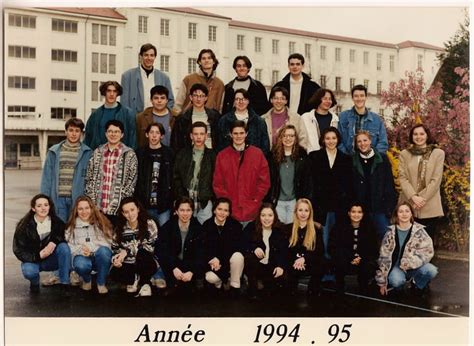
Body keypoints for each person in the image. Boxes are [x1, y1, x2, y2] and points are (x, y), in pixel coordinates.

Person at [305, 127, 353, 257]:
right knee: (322, 239)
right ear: (323, 140)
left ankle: (335, 270)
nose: (331, 141)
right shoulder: (314, 157)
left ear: (338, 140)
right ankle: (324, 270)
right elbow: (310, 183)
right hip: (321, 206)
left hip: (339, 207)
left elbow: (348, 186)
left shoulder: (346, 159)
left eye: (333, 138)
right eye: (327, 138)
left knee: (337, 239)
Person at [213, 120, 270, 225]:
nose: (238, 136)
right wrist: (227, 204)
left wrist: (256, 200)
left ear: (246, 134)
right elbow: (218, 184)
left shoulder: (257, 154)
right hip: (231, 212)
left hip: (252, 210)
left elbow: (264, 182)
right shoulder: (222, 156)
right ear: (230, 134)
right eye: (235, 133)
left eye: (241, 133)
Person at [12, 194, 71, 294]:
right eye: (39, 206)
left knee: (64, 248)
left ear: (49, 206)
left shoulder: (57, 222)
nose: (43, 208)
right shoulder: (24, 226)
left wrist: (54, 242)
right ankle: (34, 283)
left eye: (46, 205)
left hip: (51, 260)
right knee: (29, 271)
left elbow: (63, 236)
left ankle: (65, 283)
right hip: (33, 260)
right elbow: (18, 250)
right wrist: (37, 255)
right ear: (33, 209)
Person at [376, 202, 438, 296]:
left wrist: (410, 263)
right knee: (396, 281)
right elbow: (383, 258)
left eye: (407, 211)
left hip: (415, 266)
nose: (404, 214)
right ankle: (399, 285)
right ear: (396, 214)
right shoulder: (389, 233)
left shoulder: (420, 231)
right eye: (401, 211)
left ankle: (417, 283)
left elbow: (428, 253)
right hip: (397, 267)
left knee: (432, 270)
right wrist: (382, 283)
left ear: (411, 214)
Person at [85, 119, 138, 224]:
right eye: (110, 131)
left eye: (116, 132)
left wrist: (120, 204)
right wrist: (93, 203)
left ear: (122, 134)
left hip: (118, 211)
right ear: (106, 133)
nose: (113, 134)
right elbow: (89, 178)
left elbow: (131, 183)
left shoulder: (129, 154)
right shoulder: (97, 153)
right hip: (98, 209)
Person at [398, 124, 445, 240]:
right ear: (411, 136)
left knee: (426, 244)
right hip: (409, 204)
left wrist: (421, 199)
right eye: (415, 134)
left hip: (429, 204)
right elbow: (403, 178)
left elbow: (436, 179)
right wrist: (414, 197)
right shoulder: (405, 154)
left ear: (427, 135)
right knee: (408, 243)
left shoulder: (437, 153)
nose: (418, 137)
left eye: (422, 134)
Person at [40, 118, 92, 223]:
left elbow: (90, 179)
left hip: (78, 199)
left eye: (77, 131)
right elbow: (46, 178)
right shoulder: (54, 151)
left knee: (76, 229)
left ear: (81, 133)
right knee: (59, 229)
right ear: (65, 132)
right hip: (58, 199)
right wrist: (44, 200)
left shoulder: (88, 153)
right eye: (71, 130)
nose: (74, 134)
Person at [352, 131, 396, 240]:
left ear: (370, 141)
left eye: (365, 140)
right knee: (364, 238)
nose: (362, 144)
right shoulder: (352, 160)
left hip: (380, 207)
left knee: (385, 236)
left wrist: (389, 208)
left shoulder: (382, 159)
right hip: (361, 209)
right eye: (359, 141)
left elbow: (389, 184)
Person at [110, 197, 158, 297]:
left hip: (146, 260)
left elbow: (150, 247)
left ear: (138, 209)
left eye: (132, 210)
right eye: (126, 212)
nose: (130, 214)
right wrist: (117, 259)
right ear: (123, 214)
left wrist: (127, 251)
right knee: (114, 273)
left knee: (142, 254)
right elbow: (114, 247)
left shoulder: (149, 224)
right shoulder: (120, 228)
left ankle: (145, 283)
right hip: (129, 262)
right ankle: (136, 279)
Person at [65, 196, 113, 294]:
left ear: (92, 209)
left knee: (104, 252)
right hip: (82, 256)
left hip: (99, 256)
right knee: (80, 264)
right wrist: (81, 250)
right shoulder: (72, 226)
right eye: (80, 209)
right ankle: (87, 280)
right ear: (76, 211)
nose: (84, 212)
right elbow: (69, 246)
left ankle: (101, 282)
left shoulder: (100, 222)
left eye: (87, 208)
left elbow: (108, 242)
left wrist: (91, 249)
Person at [156, 197, 204, 294]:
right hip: (173, 265)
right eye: (182, 210)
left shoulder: (198, 228)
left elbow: (201, 253)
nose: (185, 214)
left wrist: (192, 271)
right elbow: (162, 250)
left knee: (189, 292)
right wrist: (173, 268)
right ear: (176, 211)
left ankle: (196, 280)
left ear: (192, 212)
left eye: (188, 210)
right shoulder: (168, 226)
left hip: (190, 265)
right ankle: (172, 282)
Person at [329, 203, 378, 294]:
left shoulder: (369, 228)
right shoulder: (339, 227)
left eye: (359, 212)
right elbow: (334, 247)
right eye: (353, 212)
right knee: (339, 259)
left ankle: (363, 284)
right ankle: (340, 284)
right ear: (349, 213)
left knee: (368, 264)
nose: (356, 215)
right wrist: (351, 256)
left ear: (363, 214)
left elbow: (373, 249)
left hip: (361, 260)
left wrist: (360, 257)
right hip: (345, 259)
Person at [173, 122, 216, 224]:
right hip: (186, 197)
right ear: (191, 136)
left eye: (201, 134)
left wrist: (211, 196)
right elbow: (176, 176)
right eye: (196, 134)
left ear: (206, 136)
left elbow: (216, 178)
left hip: (204, 200)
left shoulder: (212, 156)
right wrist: (181, 195)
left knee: (205, 230)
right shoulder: (183, 154)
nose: (199, 137)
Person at [243, 203, 287, 299]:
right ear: (259, 216)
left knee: (276, 292)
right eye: (263, 215)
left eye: (270, 215)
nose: (266, 218)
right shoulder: (252, 227)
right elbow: (242, 243)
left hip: (272, 266)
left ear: (274, 216)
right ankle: (252, 287)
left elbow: (284, 251)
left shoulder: (280, 230)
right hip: (256, 266)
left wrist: (280, 266)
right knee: (251, 259)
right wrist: (253, 249)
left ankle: (264, 284)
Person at [202, 198, 244, 296]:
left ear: (229, 213)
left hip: (229, 263)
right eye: (219, 209)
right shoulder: (206, 225)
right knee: (209, 277)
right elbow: (204, 248)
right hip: (215, 265)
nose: (222, 213)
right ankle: (220, 283)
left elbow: (237, 247)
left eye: (226, 210)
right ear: (214, 210)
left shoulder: (235, 225)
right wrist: (212, 259)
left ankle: (234, 286)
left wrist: (220, 259)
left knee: (238, 256)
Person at [135, 123, 173, 227]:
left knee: (164, 235)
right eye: (151, 132)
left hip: (163, 206)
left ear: (162, 136)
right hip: (144, 205)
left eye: (157, 133)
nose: (154, 135)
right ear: (147, 134)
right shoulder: (139, 153)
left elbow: (173, 178)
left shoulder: (169, 153)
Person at [267, 124, 306, 225]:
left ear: (296, 138)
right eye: (285, 135)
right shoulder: (272, 156)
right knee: (279, 231)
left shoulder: (302, 155)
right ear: (280, 137)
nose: (288, 138)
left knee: (292, 232)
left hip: (294, 201)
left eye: (291, 136)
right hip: (277, 201)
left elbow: (307, 180)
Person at [120, 43, 174, 114]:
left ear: (155, 57)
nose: (149, 58)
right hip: (135, 120)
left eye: (152, 55)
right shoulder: (127, 76)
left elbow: (170, 101)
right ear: (141, 56)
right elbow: (124, 103)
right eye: (146, 55)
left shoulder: (164, 78)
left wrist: (162, 115)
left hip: (157, 121)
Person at [84, 81, 136, 150]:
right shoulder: (95, 115)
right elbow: (88, 139)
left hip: (121, 156)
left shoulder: (128, 114)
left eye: (114, 91)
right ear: (104, 93)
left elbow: (133, 139)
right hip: (99, 156)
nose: (112, 94)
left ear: (117, 93)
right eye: (109, 91)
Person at [287, 198, 324, 296]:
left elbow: (319, 251)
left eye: (306, 210)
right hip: (293, 263)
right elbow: (286, 250)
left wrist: (304, 258)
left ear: (310, 213)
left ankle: (313, 288)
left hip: (309, 262)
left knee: (322, 263)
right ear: (296, 212)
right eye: (300, 210)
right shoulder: (288, 228)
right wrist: (297, 259)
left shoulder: (316, 229)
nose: (303, 213)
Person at [338, 84, 388, 155]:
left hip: (371, 162)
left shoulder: (377, 119)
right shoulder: (343, 117)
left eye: (362, 95)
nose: (359, 99)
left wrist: (372, 156)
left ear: (366, 97)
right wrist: (346, 156)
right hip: (348, 160)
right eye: (356, 96)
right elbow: (338, 140)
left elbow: (383, 142)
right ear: (352, 98)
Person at [217, 89, 270, 155]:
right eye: (237, 99)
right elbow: (220, 145)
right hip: (230, 161)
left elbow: (265, 146)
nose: (241, 102)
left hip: (253, 161)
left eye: (244, 99)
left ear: (248, 101)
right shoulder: (224, 121)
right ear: (234, 101)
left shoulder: (259, 121)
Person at [171, 83, 220, 151]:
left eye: (202, 96)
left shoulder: (214, 116)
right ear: (191, 97)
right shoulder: (182, 119)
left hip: (210, 154)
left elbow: (218, 139)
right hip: (190, 154)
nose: (198, 99)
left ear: (206, 98)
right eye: (195, 95)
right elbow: (176, 143)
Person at [173, 49, 224, 114]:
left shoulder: (219, 84)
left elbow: (220, 107)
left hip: (210, 121)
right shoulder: (188, 79)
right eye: (203, 58)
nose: (206, 60)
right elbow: (178, 104)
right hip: (189, 120)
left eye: (209, 58)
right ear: (199, 62)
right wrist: (178, 119)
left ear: (214, 61)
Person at [300, 88, 339, 153]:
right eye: (325, 98)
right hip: (310, 157)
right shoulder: (306, 118)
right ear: (318, 99)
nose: (328, 101)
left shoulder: (336, 119)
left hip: (330, 157)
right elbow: (301, 139)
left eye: (330, 99)